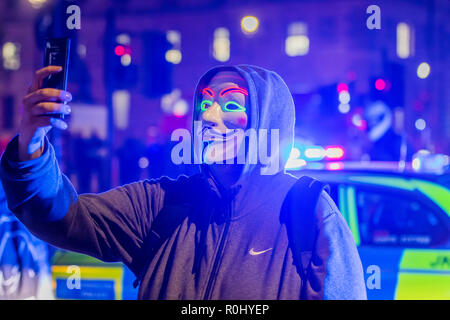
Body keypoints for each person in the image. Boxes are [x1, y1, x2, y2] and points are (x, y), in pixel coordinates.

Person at [0, 65, 366, 299]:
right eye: (205, 104)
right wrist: (32, 142)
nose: (209, 117)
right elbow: (62, 216)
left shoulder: (307, 212)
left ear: (267, 122)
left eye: (231, 105)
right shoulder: (163, 203)